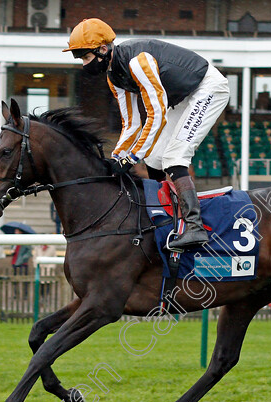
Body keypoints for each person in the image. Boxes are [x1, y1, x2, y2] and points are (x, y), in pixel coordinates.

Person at [64, 18, 230, 249]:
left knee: (174, 158)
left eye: (86, 57)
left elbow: (157, 115)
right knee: (153, 158)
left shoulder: (138, 62)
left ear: (103, 49)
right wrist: (117, 157)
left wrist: (131, 158)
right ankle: (168, 218)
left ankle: (195, 227)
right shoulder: (114, 77)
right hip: (182, 98)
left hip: (207, 88)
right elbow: (131, 124)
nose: (84, 65)